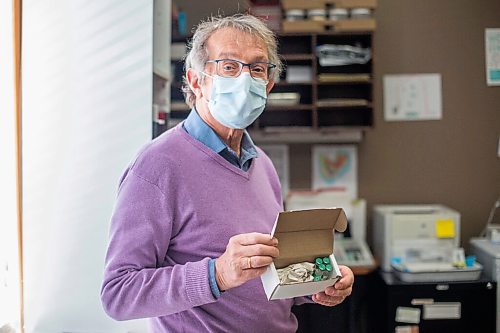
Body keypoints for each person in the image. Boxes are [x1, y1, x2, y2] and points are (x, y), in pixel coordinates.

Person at [101, 13, 354, 332]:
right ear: (196, 81)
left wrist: (316, 285)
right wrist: (217, 274)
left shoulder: (261, 163)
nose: (245, 80)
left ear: (269, 85)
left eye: (257, 68)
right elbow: (118, 294)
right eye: (229, 66)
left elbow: (264, 276)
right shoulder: (157, 165)